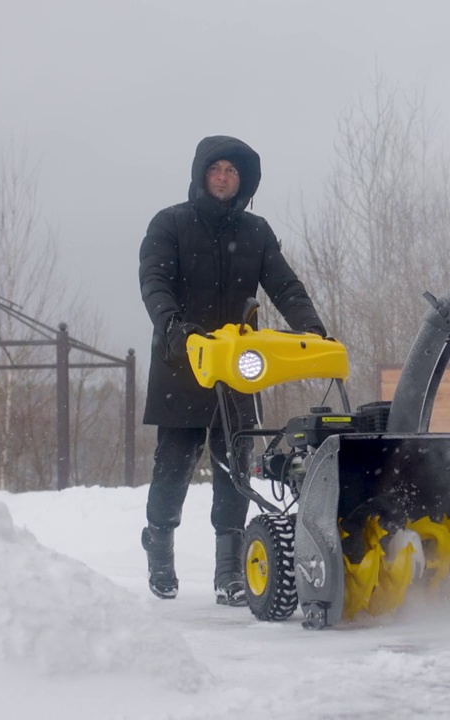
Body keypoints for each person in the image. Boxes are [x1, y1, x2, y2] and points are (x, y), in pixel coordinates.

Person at [137, 135, 326, 605]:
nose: (223, 178)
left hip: (241, 368)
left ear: (243, 181)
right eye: (215, 169)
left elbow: (285, 285)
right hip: (184, 364)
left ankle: (229, 572)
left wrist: (313, 330)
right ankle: (160, 550)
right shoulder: (171, 224)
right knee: (173, 468)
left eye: (232, 172)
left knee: (235, 468)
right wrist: (173, 326)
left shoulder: (256, 232)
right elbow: (154, 281)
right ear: (202, 174)